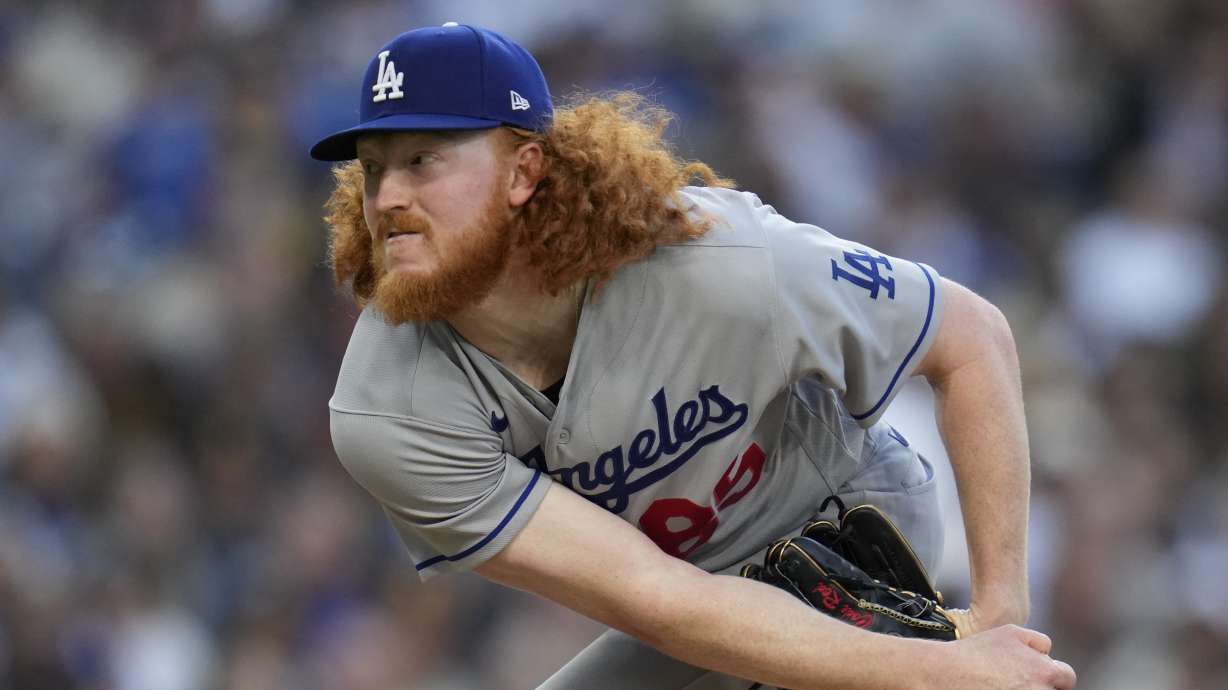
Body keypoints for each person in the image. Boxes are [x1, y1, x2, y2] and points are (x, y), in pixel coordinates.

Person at [310, 22, 1077, 690]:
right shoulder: (388, 407)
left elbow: (972, 337)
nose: (387, 198)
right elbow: (659, 600)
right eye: (374, 167)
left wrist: (997, 621)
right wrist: (947, 675)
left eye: (424, 159)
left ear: (524, 172)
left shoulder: (717, 261)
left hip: (846, 524)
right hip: (689, 593)